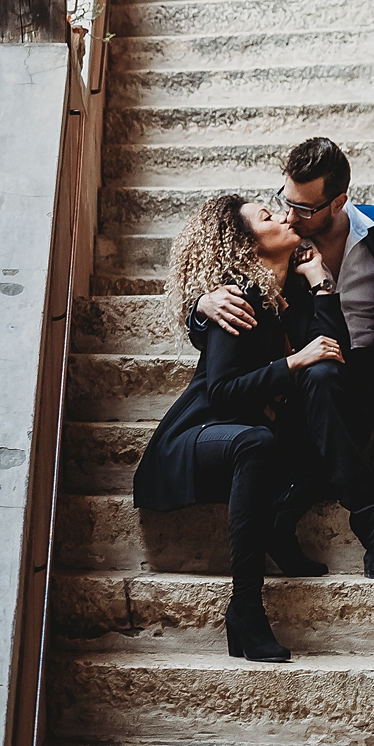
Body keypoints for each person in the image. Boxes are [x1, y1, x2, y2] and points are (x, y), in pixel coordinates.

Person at [192, 136, 374, 582]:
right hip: (318, 384)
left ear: (338, 201)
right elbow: (232, 302)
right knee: (322, 373)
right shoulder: (283, 248)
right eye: (284, 202)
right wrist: (201, 305)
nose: (290, 216)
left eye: (304, 208)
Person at [135, 193, 343, 663]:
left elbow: (335, 348)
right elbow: (223, 391)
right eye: (268, 216)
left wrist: (320, 281)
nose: (287, 217)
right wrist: (294, 360)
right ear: (246, 244)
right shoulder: (237, 295)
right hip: (197, 438)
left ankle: (278, 530)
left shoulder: (282, 295)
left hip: (247, 442)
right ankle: (245, 608)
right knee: (257, 441)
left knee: (317, 443)